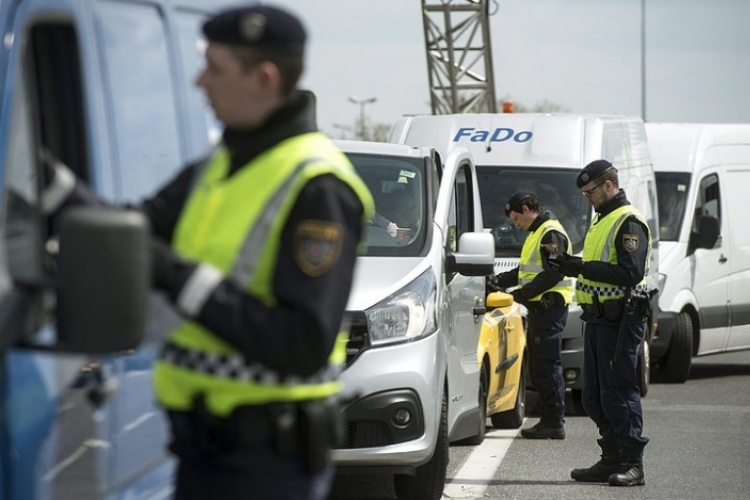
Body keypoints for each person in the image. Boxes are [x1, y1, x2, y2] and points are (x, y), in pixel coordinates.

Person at [42, 5, 374, 500]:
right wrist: (43, 183)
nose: (199, 81)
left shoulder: (317, 184)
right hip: (204, 447)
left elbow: (301, 343)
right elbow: (124, 233)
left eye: (215, 68)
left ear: (263, 78)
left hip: (267, 463)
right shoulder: (219, 164)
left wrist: (178, 277)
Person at [549, 159, 651, 487]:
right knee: (593, 396)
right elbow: (597, 265)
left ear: (609, 185)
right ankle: (611, 458)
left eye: (590, 191)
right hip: (597, 319)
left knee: (618, 392)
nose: (586, 198)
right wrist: (571, 264)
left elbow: (629, 273)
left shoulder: (627, 221)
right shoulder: (601, 219)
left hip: (620, 320)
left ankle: (632, 462)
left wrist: (579, 268)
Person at [490, 192, 573, 439]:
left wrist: (521, 295)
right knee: (540, 367)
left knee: (547, 367)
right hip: (541, 310)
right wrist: (498, 280)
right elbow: (526, 270)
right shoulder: (537, 233)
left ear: (527, 208)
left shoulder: (549, 233)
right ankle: (549, 420)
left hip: (550, 309)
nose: (516, 224)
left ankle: (554, 423)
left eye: (517, 217)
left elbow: (553, 273)